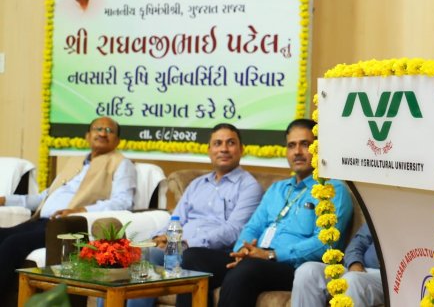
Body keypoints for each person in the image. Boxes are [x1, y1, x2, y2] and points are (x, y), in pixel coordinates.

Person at [176, 119, 354, 307]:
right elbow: (253, 227)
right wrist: (242, 251)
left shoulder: (333, 189)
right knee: (192, 258)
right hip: (256, 259)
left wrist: (272, 255)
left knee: (247, 270)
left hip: (290, 265)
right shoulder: (278, 189)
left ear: (319, 149)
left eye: (305, 144)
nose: (297, 152)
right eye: (291, 145)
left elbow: (325, 244)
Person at [109, 123, 264, 307]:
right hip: (177, 248)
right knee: (130, 257)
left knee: (171, 258)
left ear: (241, 150)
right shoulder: (198, 184)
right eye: (217, 143)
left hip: (211, 254)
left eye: (230, 143)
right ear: (209, 150)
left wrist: (186, 243)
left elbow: (234, 231)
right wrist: (160, 237)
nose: (223, 148)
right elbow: (176, 219)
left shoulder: (249, 186)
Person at [0, 116, 136, 298]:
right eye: (98, 129)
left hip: (69, 226)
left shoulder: (121, 163)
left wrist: (83, 210)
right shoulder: (74, 162)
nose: (103, 133)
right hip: (41, 220)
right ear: (88, 135)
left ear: (118, 141)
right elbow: (43, 198)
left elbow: (124, 201)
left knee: (13, 243)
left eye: (110, 131)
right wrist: (6, 200)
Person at [292, 223, 383, 307]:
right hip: (361, 268)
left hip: (388, 278)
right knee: (307, 271)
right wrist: (354, 263)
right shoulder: (383, 215)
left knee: (351, 280)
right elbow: (357, 243)